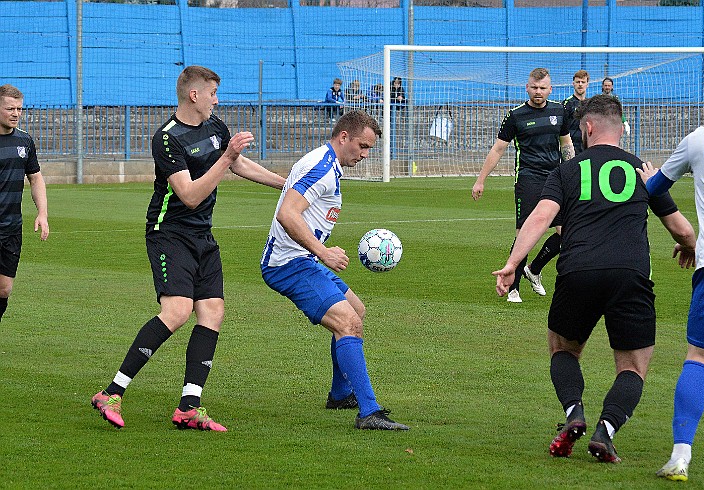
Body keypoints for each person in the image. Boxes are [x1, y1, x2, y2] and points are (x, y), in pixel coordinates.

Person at [493, 94, 696, 464]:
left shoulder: (567, 171)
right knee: (633, 366)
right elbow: (682, 230)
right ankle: (607, 430)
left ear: (587, 128)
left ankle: (574, 414)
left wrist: (512, 264)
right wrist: (688, 247)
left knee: (563, 348)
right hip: (630, 275)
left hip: (577, 271)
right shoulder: (642, 171)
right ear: (621, 130)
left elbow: (539, 218)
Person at [90, 66, 286, 431]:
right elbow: (191, 196)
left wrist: (288, 185)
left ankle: (189, 406)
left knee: (212, 311)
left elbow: (240, 164)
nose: (217, 99)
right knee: (177, 311)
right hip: (170, 233)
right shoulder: (166, 139)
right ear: (194, 95)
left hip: (202, 235)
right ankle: (111, 392)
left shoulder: (215, 127)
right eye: (213, 92)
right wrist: (226, 158)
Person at [260, 109, 409, 431]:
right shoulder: (323, 168)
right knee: (349, 323)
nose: (365, 155)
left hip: (303, 259)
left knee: (356, 310)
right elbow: (288, 214)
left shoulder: (325, 162)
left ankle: (341, 394)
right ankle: (369, 412)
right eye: (363, 146)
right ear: (344, 137)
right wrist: (322, 251)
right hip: (289, 264)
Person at [637, 65, 704, 482]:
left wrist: (648, 176)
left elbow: (655, 187)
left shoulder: (701, 138)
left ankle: (680, 456)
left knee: (700, 357)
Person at [472, 67, 575, 303]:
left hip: (556, 179)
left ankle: (534, 269)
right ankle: (514, 287)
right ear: (527, 88)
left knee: (567, 232)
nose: (538, 92)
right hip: (528, 179)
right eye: (534, 87)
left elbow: (567, 145)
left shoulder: (560, 111)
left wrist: (573, 174)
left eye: (543, 88)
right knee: (523, 234)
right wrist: (481, 179)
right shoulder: (515, 115)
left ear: (551, 89)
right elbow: (498, 148)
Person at [0, 84, 50, 322]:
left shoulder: (24, 141)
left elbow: (35, 177)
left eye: (19, 109)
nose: (16, 113)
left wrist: (42, 213)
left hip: (11, 228)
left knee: (4, 289)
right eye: (10, 108)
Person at [562, 69, 589, 155]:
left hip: (586, 148)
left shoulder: (590, 104)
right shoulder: (567, 103)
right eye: (578, 82)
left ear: (587, 84)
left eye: (583, 82)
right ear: (573, 84)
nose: (580, 84)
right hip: (572, 148)